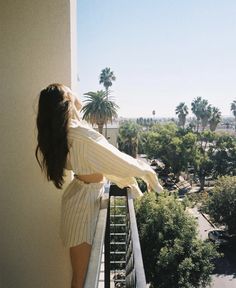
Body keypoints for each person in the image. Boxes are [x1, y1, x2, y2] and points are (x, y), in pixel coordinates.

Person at [35, 83, 163, 288]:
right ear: (67, 101)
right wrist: (144, 170)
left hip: (80, 199)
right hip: (82, 206)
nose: (75, 92)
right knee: (82, 276)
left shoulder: (68, 133)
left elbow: (101, 161)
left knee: (81, 275)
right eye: (70, 90)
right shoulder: (80, 135)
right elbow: (115, 159)